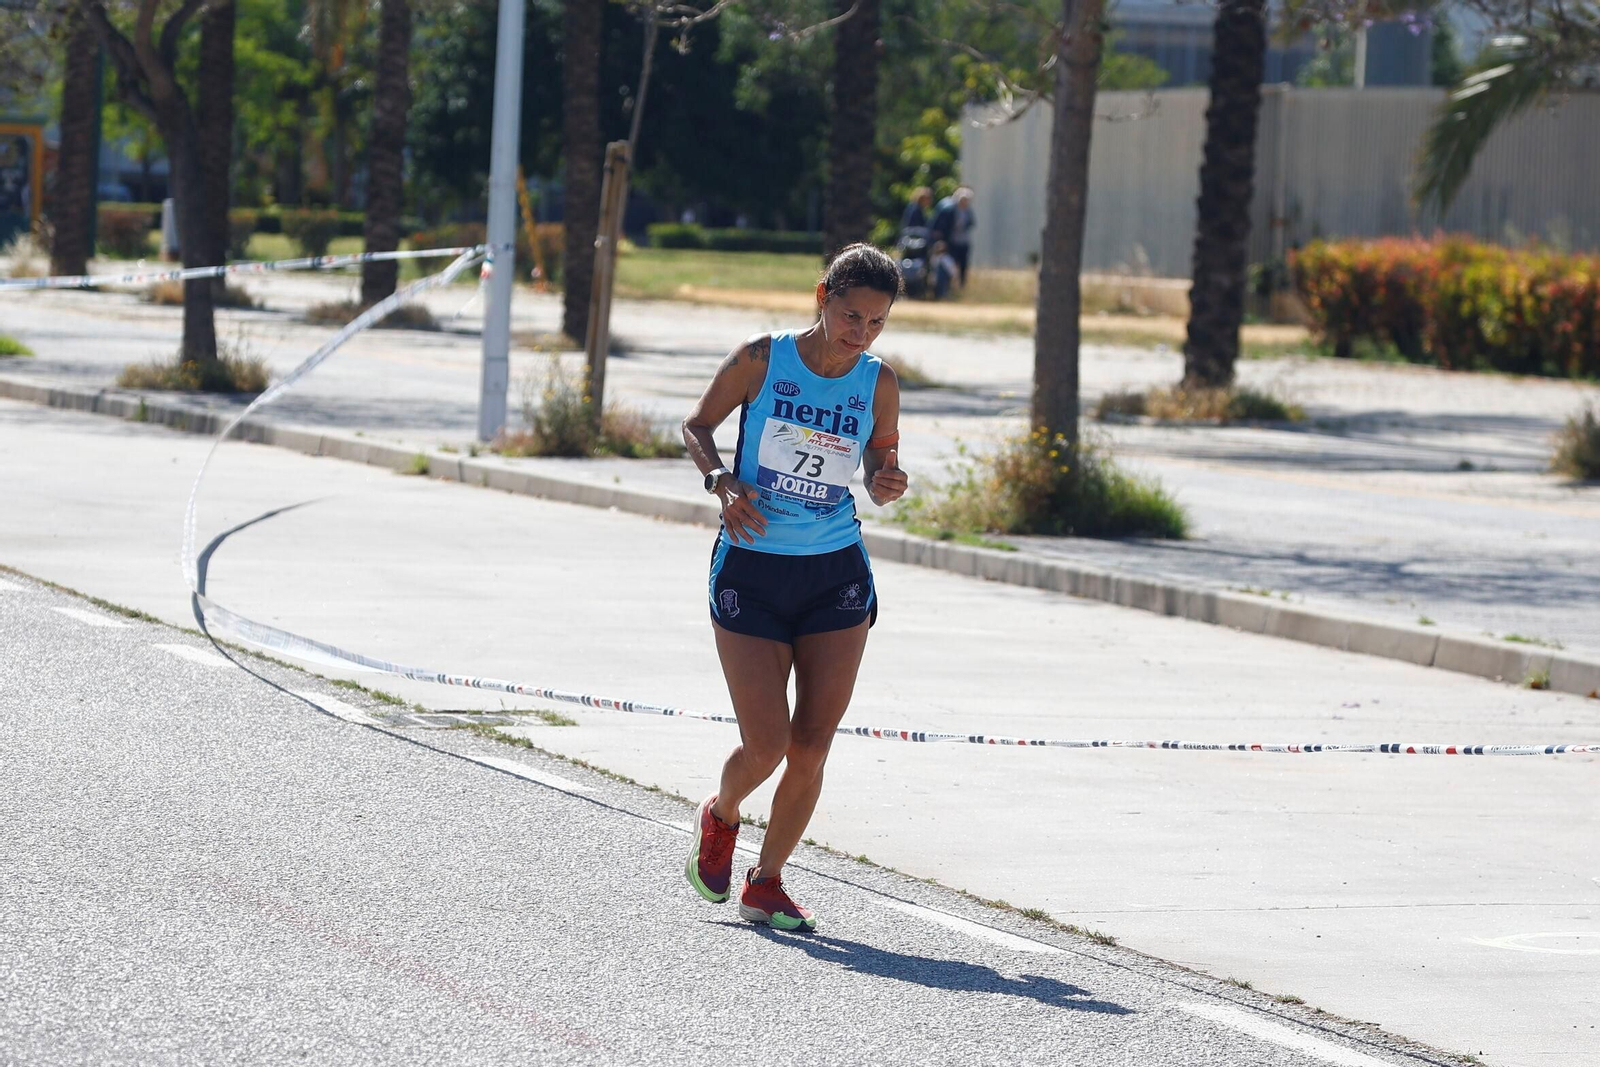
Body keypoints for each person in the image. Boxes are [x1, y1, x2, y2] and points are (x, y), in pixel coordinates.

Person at [680, 243, 909, 931]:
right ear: (822, 296)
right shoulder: (762, 357)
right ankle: (721, 815)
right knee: (767, 743)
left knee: (812, 744)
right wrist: (720, 481)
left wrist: (884, 481)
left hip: (833, 570)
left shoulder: (878, 382)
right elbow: (696, 427)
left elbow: (881, 458)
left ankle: (767, 881)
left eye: (875, 321)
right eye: (849, 314)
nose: (859, 332)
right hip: (751, 565)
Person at [930, 186, 976, 289]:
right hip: (952, 242)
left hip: (963, 242)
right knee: (950, 265)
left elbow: (972, 223)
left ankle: (961, 286)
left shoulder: (968, 211)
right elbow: (942, 226)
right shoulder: (949, 210)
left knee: (963, 265)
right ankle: (948, 287)